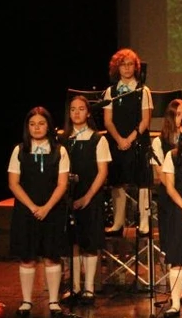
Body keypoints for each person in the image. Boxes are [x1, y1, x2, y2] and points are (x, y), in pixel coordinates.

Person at [8, 107, 70, 318]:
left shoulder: (60, 151)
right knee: (27, 257)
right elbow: (14, 183)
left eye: (41, 124)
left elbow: (62, 184)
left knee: (52, 256)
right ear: (27, 127)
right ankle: (26, 301)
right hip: (26, 211)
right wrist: (33, 207)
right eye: (32, 124)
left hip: (53, 210)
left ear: (49, 126)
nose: (36, 128)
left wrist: (46, 207)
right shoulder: (19, 150)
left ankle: (53, 302)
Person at [59, 95, 111, 308]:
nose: (77, 113)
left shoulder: (98, 139)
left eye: (81, 109)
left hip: (90, 196)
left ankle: (88, 287)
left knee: (89, 242)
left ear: (88, 113)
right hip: (67, 197)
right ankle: (74, 287)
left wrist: (87, 197)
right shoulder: (63, 140)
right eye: (73, 109)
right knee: (72, 242)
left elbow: (102, 172)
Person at [102, 48, 154, 234]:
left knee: (142, 180)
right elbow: (108, 121)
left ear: (136, 67)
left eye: (130, 64)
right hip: (117, 140)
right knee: (117, 181)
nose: (126, 68)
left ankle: (144, 221)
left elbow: (145, 120)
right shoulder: (111, 92)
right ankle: (118, 222)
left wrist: (130, 139)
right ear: (117, 68)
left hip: (137, 140)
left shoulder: (143, 91)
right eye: (122, 64)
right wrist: (119, 139)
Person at [153, 99, 182, 307]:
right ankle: (176, 293)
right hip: (171, 199)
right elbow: (161, 174)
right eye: (179, 114)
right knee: (175, 245)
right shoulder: (160, 142)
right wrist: (177, 194)